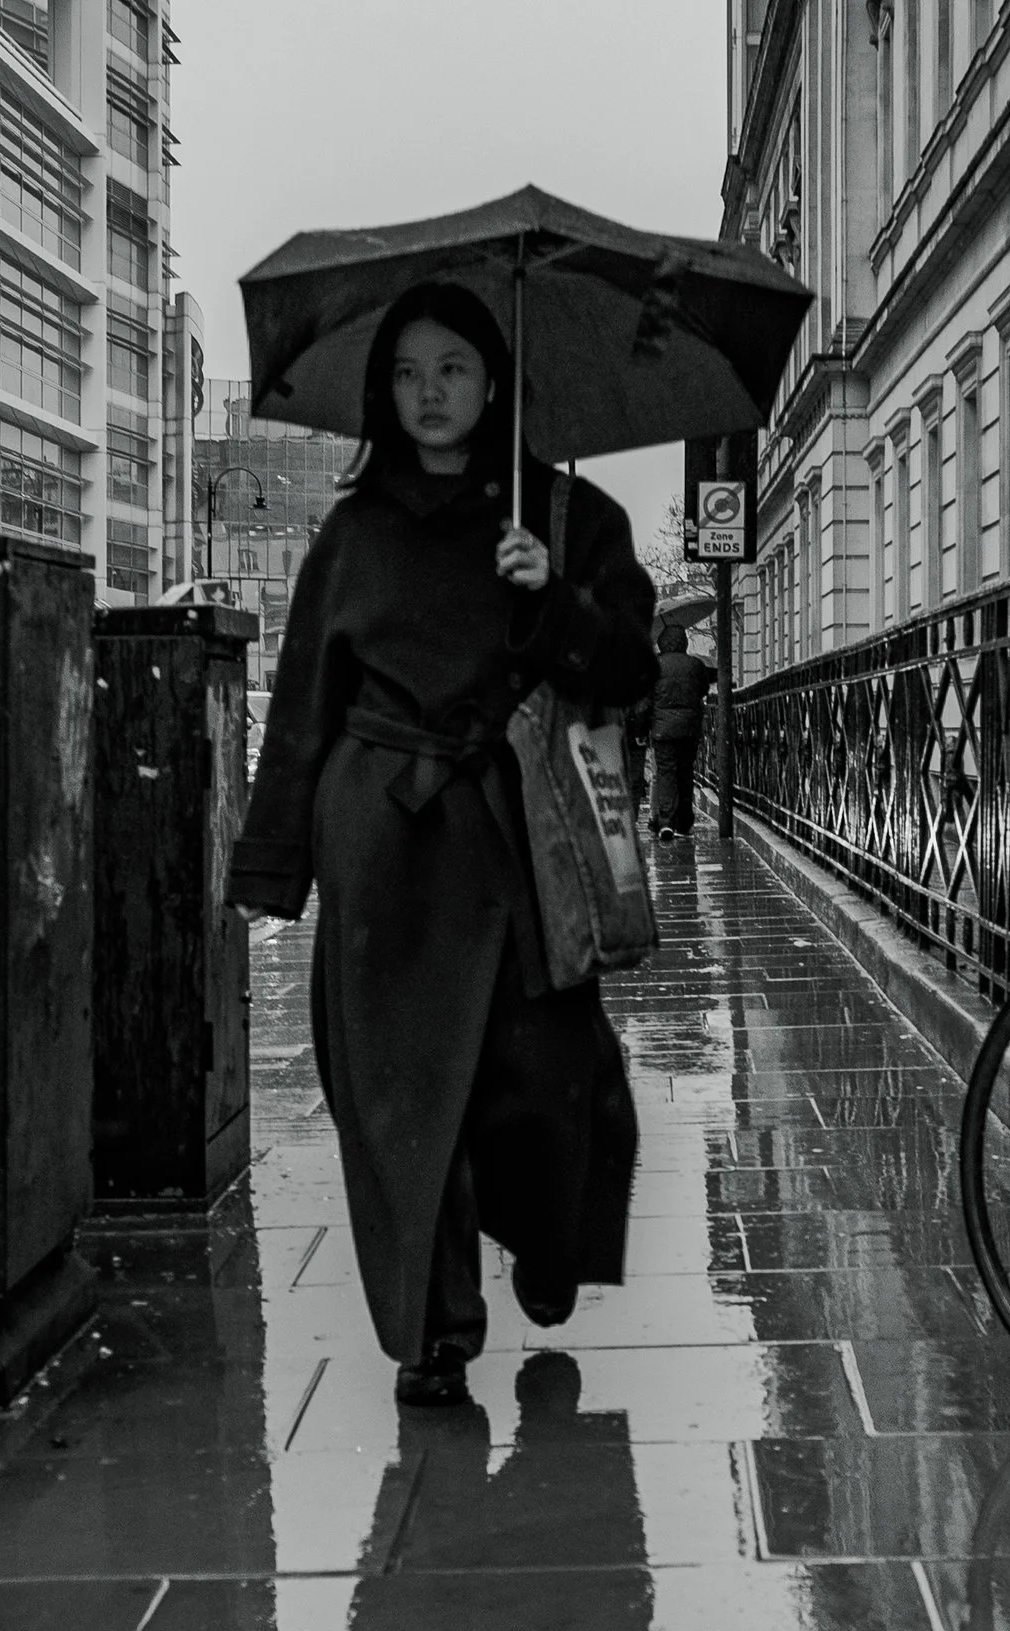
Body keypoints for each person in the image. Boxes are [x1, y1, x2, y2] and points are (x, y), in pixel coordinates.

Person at [224, 282, 658, 1407]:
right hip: (384, 842)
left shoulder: (567, 519)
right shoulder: (353, 531)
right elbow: (304, 704)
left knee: (552, 1075)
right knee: (401, 1098)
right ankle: (434, 1332)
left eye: (453, 369)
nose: (430, 393)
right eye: (409, 372)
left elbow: (631, 674)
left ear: (494, 382)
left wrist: (553, 596)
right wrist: (275, 862)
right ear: (382, 389)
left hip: (521, 833)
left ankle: (549, 1243)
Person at [649, 619, 713, 838]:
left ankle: (666, 820)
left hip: (662, 730)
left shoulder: (655, 665)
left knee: (666, 773)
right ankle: (685, 822)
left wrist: (643, 727)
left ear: (662, 643)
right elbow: (703, 689)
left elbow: (647, 699)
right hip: (689, 728)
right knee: (686, 773)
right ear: (684, 642)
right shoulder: (695, 665)